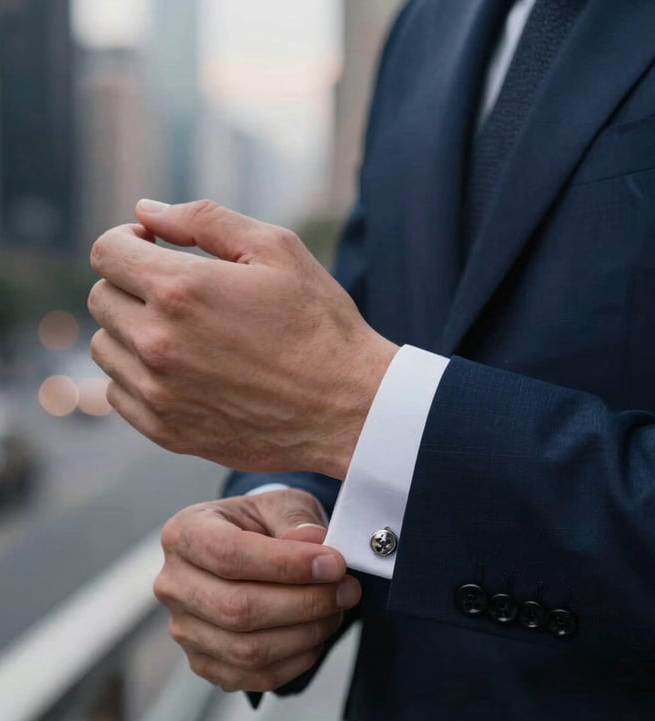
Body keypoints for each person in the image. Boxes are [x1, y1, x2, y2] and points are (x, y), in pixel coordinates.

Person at [88, 0, 655, 717]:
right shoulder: (426, 26)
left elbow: (359, 391)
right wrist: (279, 519)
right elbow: (370, 331)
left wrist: (356, 409)